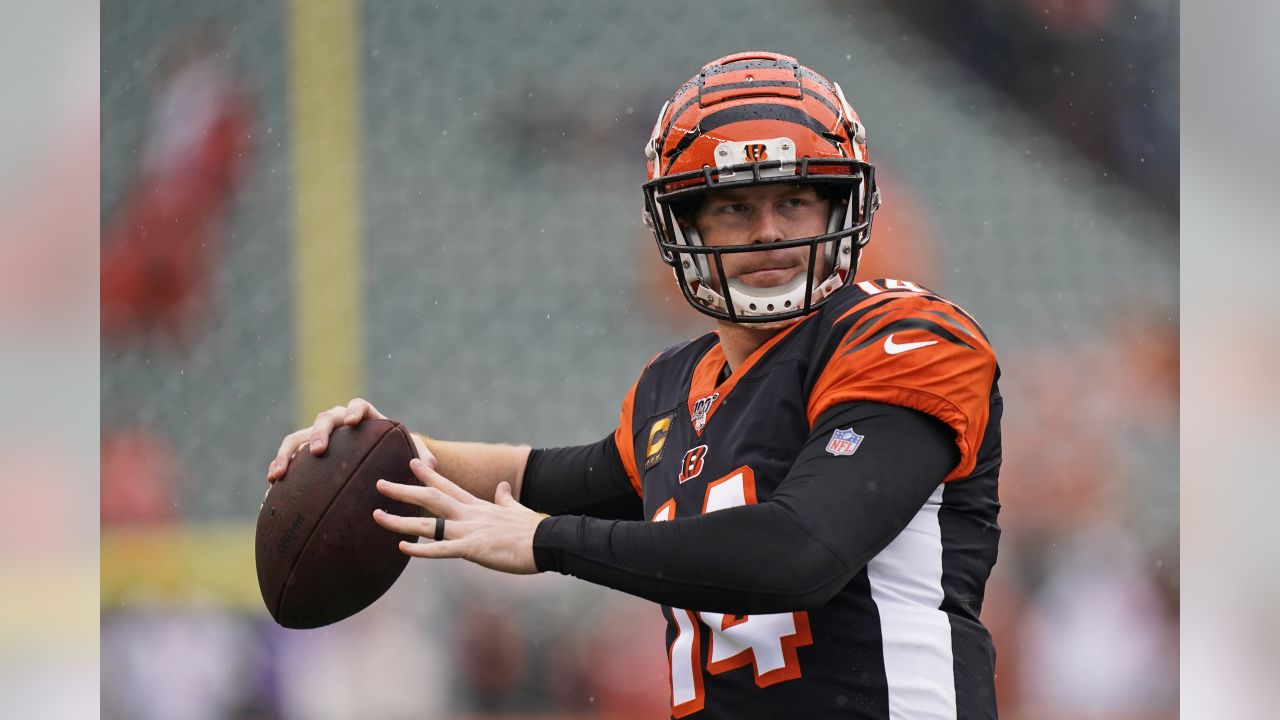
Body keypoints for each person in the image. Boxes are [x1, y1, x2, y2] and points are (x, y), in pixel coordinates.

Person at [266, 51, 1002, 719]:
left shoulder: (905, 337)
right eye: (734, 207)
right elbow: (552, 477)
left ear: (841, 208)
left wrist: (549, 544)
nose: (769, 231)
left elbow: (800, 554)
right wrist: (391, 449)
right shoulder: (676, 385)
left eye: (795, 200)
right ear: (686, 226)